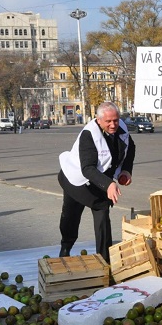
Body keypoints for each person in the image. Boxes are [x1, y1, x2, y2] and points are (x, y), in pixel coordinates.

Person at [58, 102, 135, 263]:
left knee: (102, 209)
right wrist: (109, 184)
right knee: (72, 212)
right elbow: (87, 168)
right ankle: (65, 247)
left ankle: (104, 260)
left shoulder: (121, 127)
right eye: (108, 121)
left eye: (115, 120)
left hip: (100, 178)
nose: (113, 124)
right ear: (98, 120)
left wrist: (126, 170)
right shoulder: (89, 135)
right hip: (75, 178)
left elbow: (131, 147)